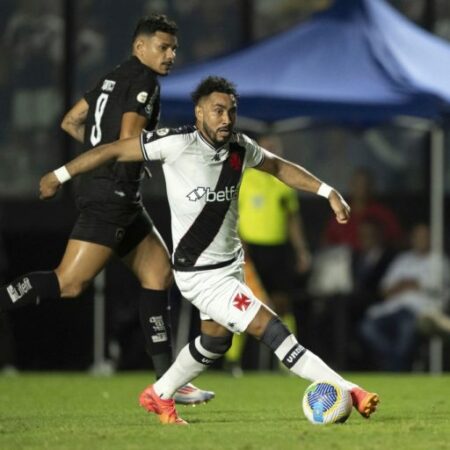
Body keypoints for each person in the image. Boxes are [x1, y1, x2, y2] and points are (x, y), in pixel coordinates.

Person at [39, 76, 379, 425]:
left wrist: (327, 192)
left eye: (231, 111)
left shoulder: (240, 147)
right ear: (199, 111)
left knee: (215, 342)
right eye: (218, 111)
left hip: (230, 265)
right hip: (200, 275)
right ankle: (349, 389)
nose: (226, 119)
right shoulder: (175, 143)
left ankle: (159, 394)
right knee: (272, 329)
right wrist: (60, 175)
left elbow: (278, 167)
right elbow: (113, 149)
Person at [0, 14, 213, 405]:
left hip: (117, 193)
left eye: (174, 49)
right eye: (163, 47)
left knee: (158, 272)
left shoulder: (110, 77)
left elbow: (71, 121)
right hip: (110, 196)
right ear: (140, 47)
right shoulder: (144, 82)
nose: (170, 56)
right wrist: (127, 159)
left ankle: (168, 381)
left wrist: (104, 157)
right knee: (69, 283)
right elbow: (130, 137)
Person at [225, 133, 311, 373]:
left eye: (275, 147)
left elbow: (292, 219)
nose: (271, 150)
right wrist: (238, 243)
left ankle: (290, 361)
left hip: (278, 250)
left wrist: (301, 250)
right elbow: (233, 215)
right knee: (244, 303)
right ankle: (233, 361)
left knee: (282, 304)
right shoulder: (245, 178)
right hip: (250, 250)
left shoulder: (283, 181)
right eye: (267, 147)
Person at [360, 223, 450, 371]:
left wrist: (410, 285)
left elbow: (439, 290)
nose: (420, 240)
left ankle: (397, 366)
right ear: (412, 239)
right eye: (417, 237)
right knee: (367, 328)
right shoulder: (402, 260)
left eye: (424, 237)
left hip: (420, 312)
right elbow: (384, 290)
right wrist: (408, 285)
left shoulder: (440, 261)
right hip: (392, 310)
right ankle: (396, 363)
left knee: (406, 330)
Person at [323, 167, 403, 251]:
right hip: (344, 259)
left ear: (371, 187)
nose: (361, 189)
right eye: (357, 184)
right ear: (351, 186)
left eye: (364, 184)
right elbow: (326, 242)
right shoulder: (340, 211)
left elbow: (398, 240)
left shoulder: (382, 212)